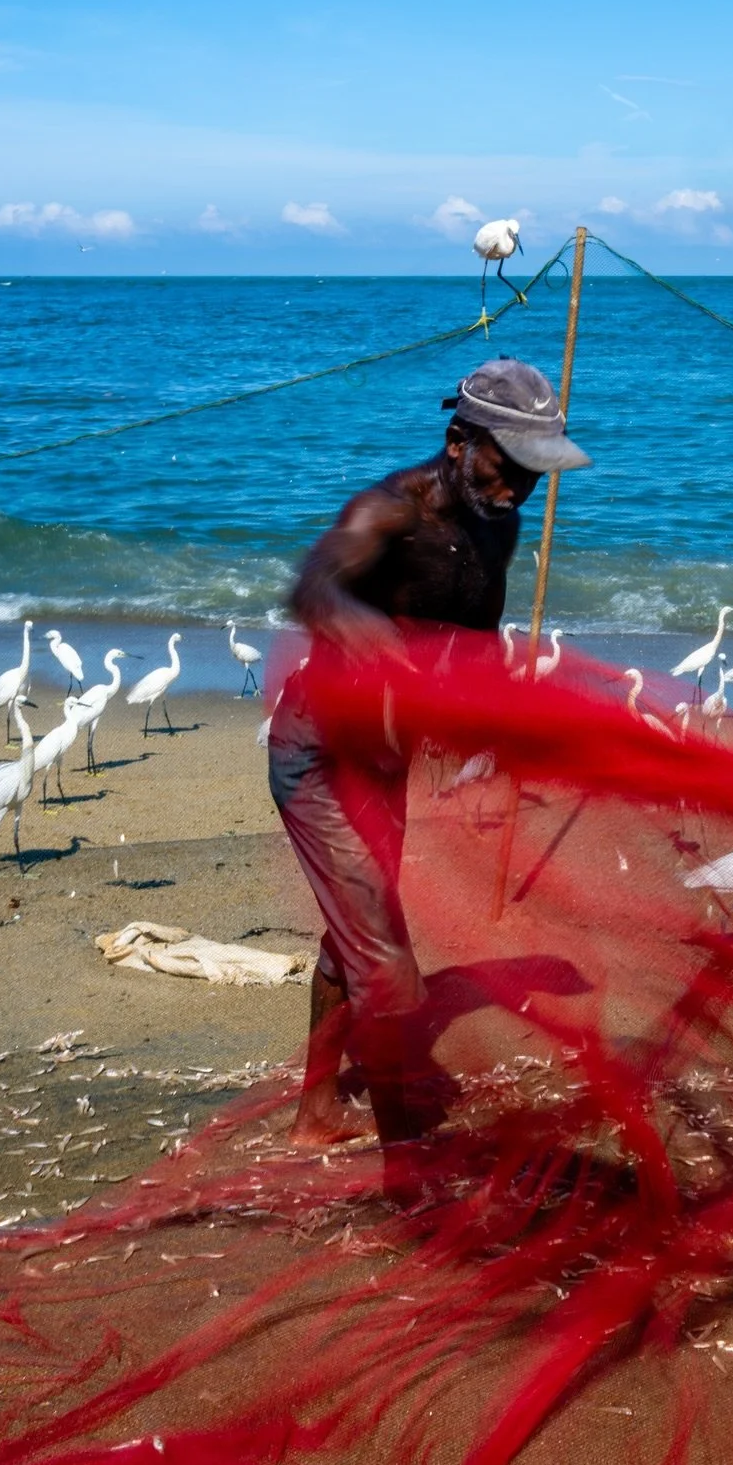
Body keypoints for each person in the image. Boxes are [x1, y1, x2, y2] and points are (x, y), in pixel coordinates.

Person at [269, 357, 590, 1184]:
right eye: (509, 465)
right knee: (384, 959)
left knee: (356, 934)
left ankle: (315, 1115)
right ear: (459, 442)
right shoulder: (389, 509)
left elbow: (478, 634)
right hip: (317, 755)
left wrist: (486, 720)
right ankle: (409, 1169)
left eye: (535, 471)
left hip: (390, 751)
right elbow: (312, 587)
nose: (524, 487)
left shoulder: (501, 521)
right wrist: (361, 635)